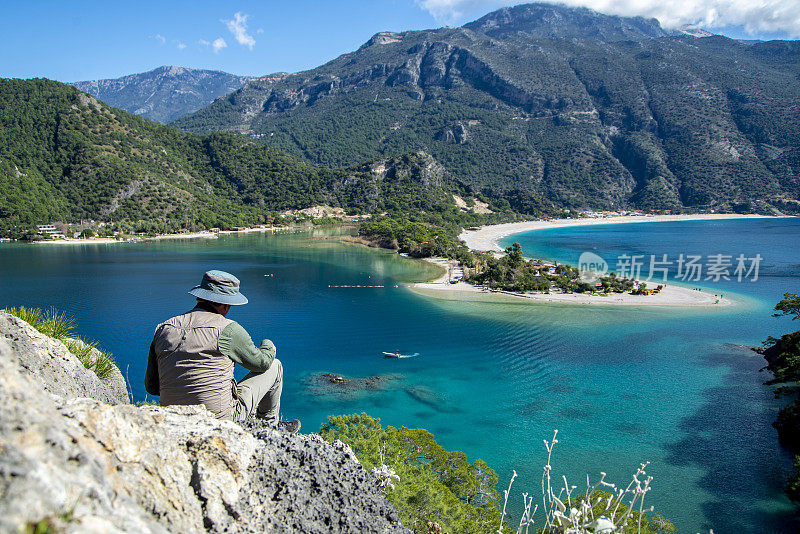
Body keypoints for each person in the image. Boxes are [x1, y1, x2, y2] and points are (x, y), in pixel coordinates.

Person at [144, 270, 300, 432]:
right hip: (219, 421)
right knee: (275, 365)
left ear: (200, 296)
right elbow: (261, 364)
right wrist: (268, 346)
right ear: (226, 305)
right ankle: (269, 428)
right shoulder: (228, 329)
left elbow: (152, 387)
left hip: (172, 419)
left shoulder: (164, 329)